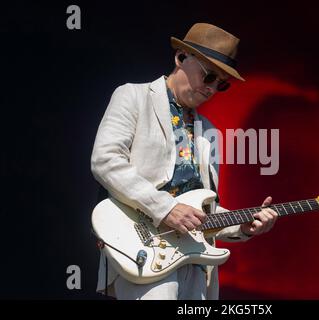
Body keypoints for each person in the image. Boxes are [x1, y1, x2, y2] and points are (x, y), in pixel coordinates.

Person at [91, 22, 278, 300]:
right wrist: (166, 208)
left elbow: (204, 210)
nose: (212, 88)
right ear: (180, 58)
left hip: (196, 260)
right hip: (143, 247)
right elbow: (105, 161)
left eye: (221, 84)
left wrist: (242, 227)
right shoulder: (132, 95)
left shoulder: (210, 130)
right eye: (209, 75)